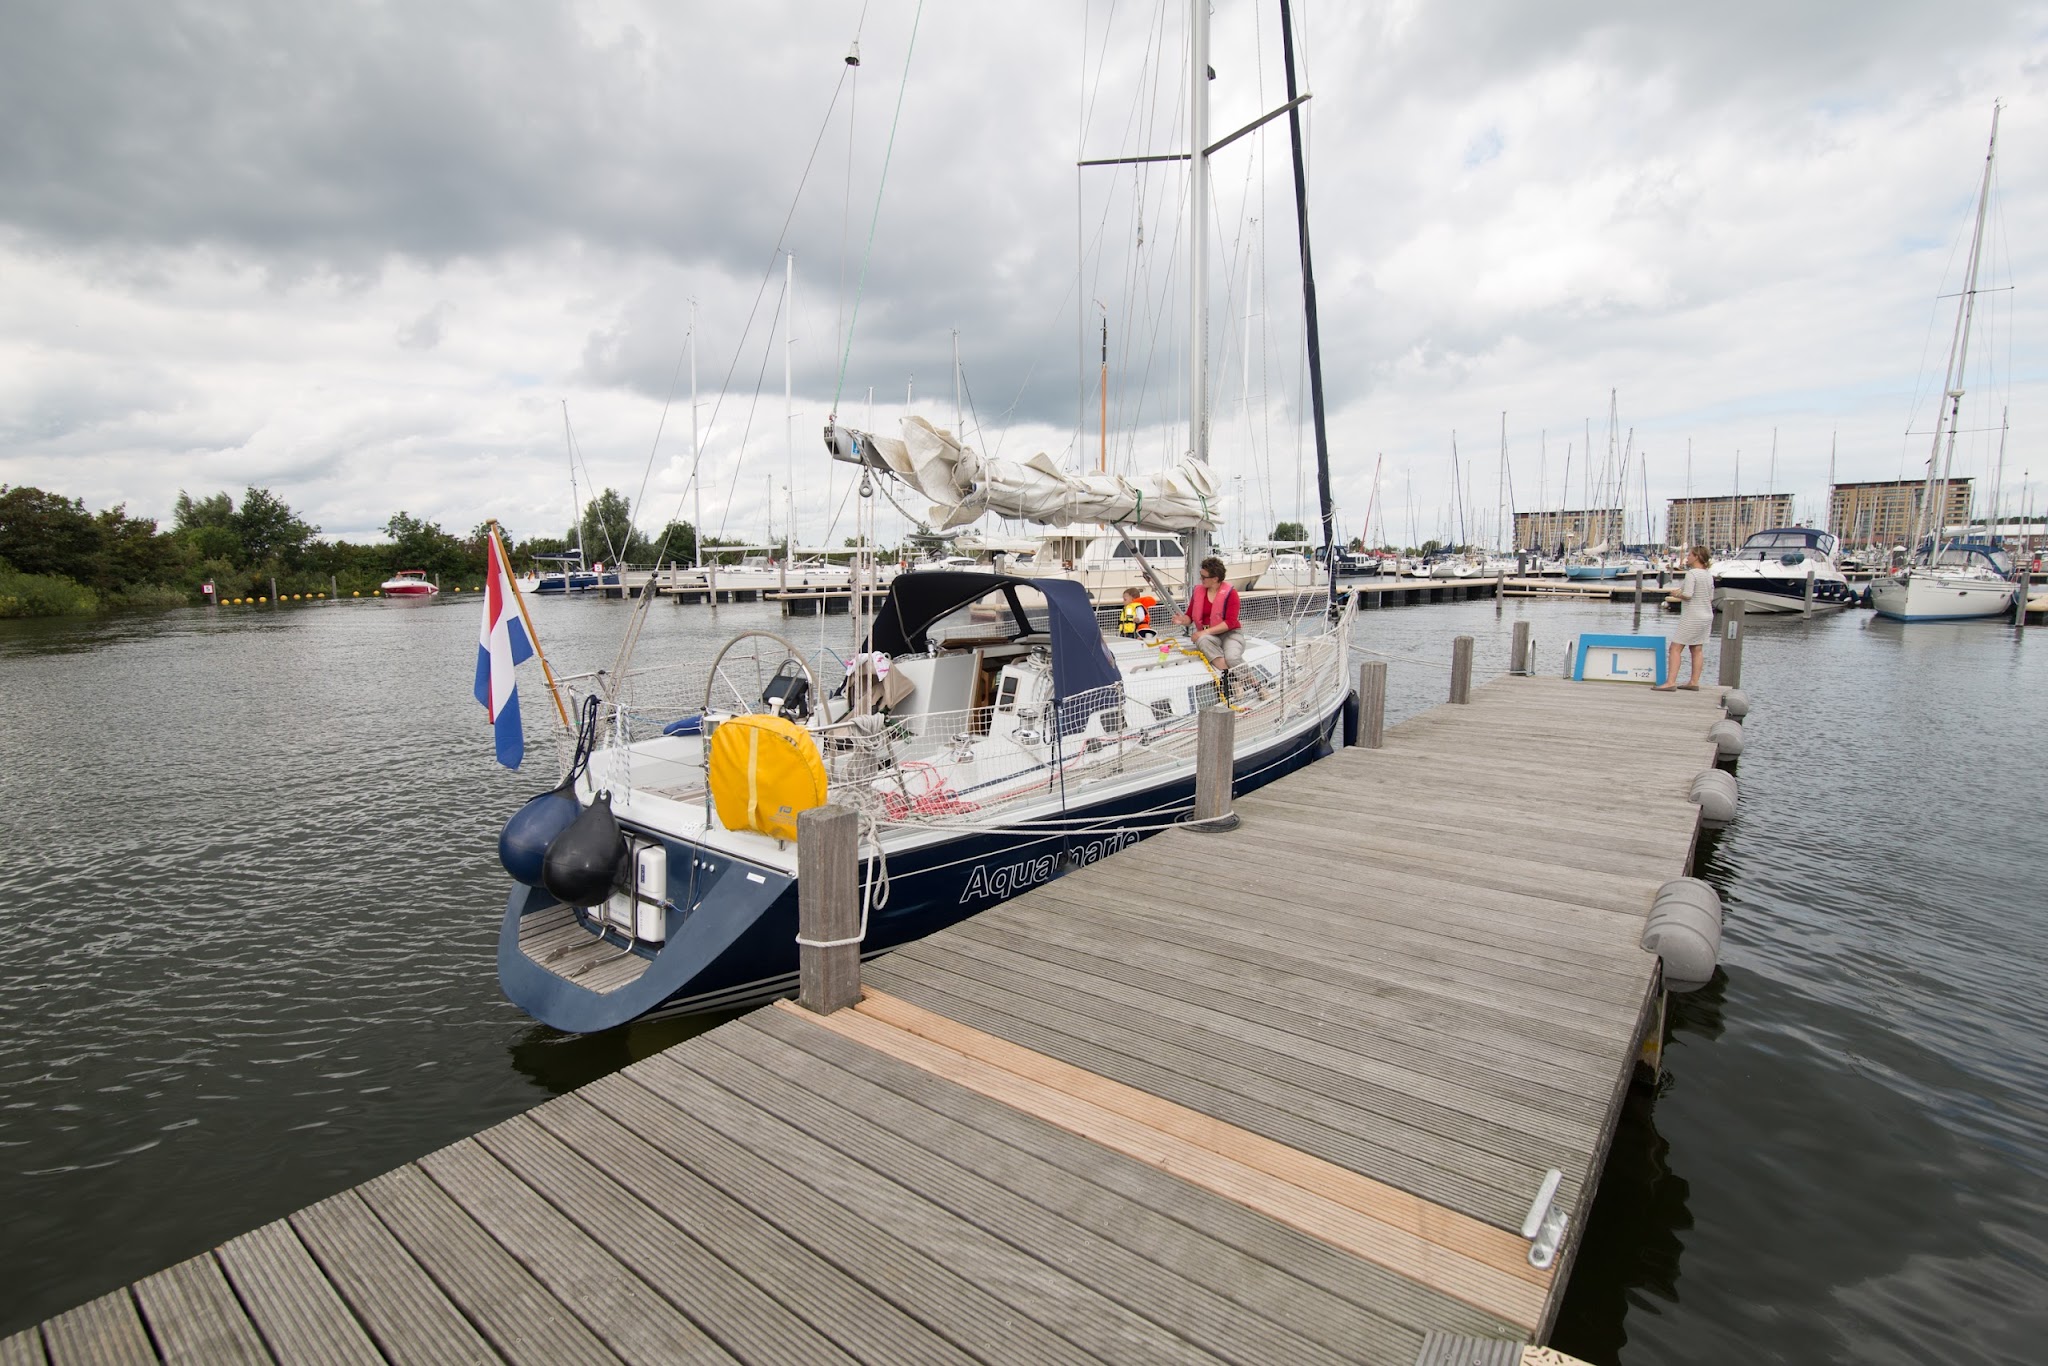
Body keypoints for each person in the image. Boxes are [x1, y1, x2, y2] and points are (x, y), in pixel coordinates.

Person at [1655, 545, 1714, 691]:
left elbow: (1688, 594)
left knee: (1675, 648)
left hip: (1693, 616)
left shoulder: (1692, 574)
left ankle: (1670, 682)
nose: (1687, 558)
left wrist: (1677, 594)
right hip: (1706, 615)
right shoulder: (1708, 575)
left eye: (1690, 555)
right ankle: (1694, 682)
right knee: (1697, 648)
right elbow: (1711, 597)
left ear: (1697, 557)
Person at [1174, 556, 1245, 677]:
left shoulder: (1231, 594)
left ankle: (1253, 682)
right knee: (1202, 640)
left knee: (1232, 658)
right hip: (1210, 636)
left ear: (1215, 579)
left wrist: (1203, 632)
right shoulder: (1198, 592)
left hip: (1230, 634)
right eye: (1200, 575)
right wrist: (1183, 620)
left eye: (1204, 577)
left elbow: (1230, 622)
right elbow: (1190, 616)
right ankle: (1231, 679)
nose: (1200, 579)